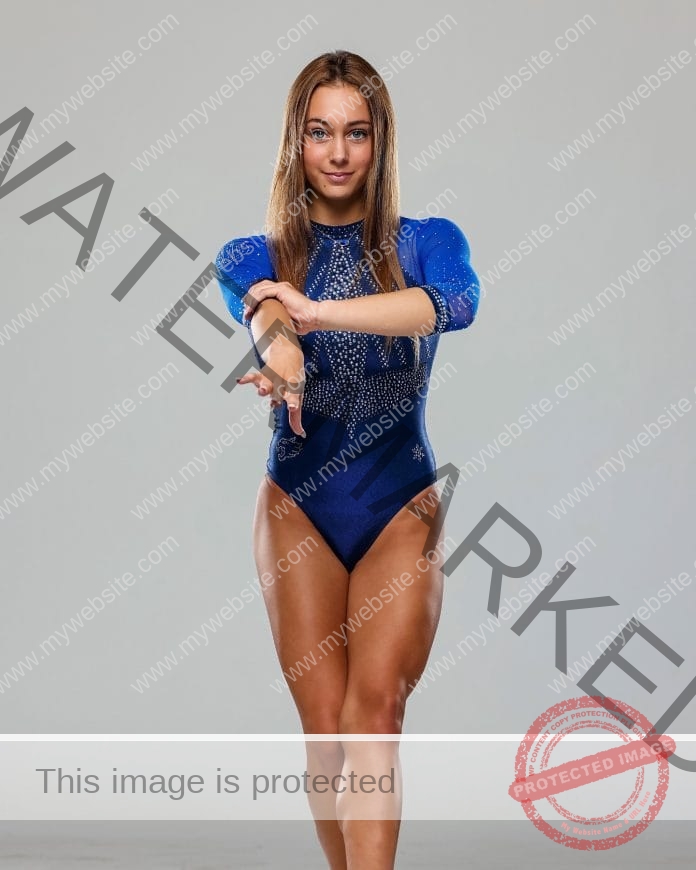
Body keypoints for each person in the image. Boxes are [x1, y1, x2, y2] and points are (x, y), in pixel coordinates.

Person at [215, 49, 480, 870]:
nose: (337, 153)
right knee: (327, 733)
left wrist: (317, 313)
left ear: (380, 140)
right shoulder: (252, 253)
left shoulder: (428, 242)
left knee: (376, 719)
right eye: (320, 132)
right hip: (298, 503)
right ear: (296, 142)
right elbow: (260, 311)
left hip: (399, 502)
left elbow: (451, 306)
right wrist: (281, 343)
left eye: (356, 133)